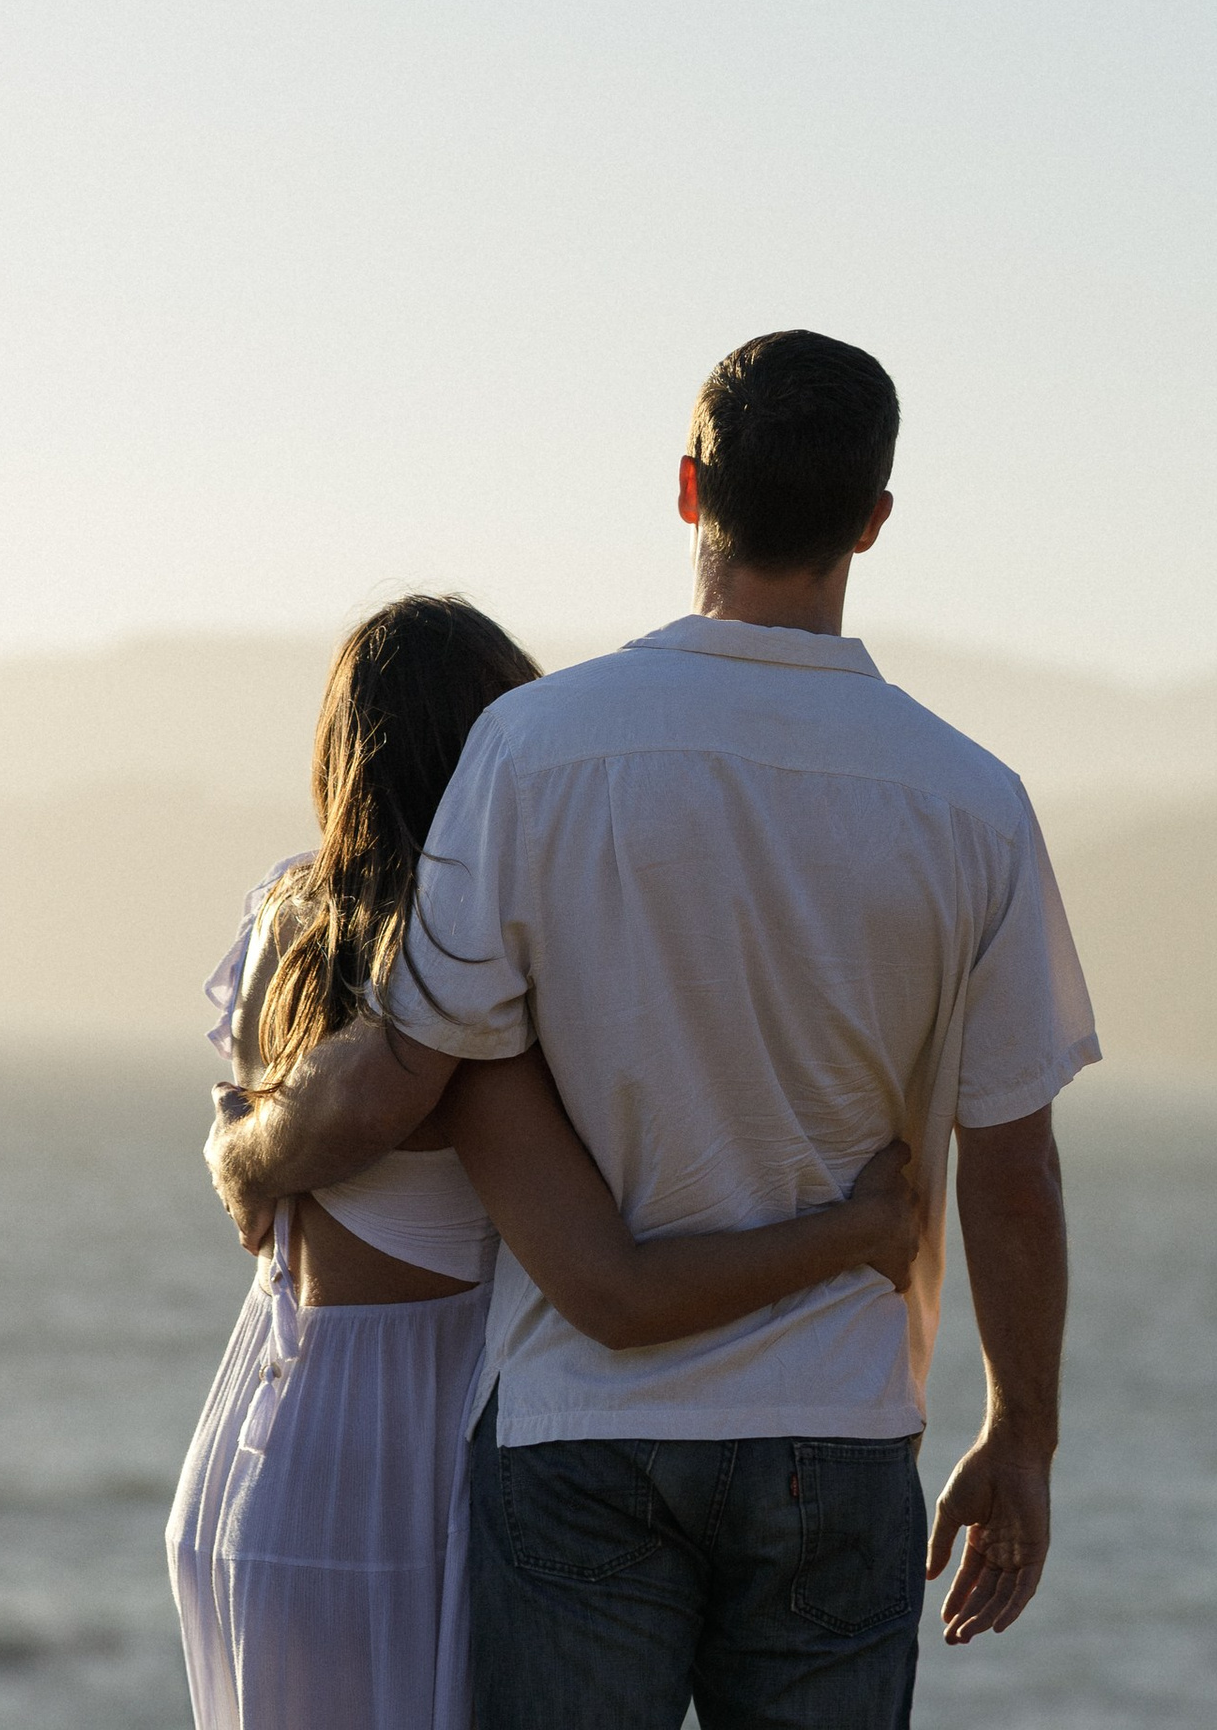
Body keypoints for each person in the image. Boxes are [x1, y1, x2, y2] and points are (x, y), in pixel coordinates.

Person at [210, 331, 1099, 1730]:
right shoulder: (973, 802)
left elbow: (412, 1063)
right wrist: (1024, 1437)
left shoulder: (537, 751)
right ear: (872, 520)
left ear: (691, 492)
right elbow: (1012, 1164)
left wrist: (255, 1155)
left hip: (580, 1428)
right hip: (840, 1425)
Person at [168, 589, 921, 1730]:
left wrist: (244, 1152)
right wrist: (858, 1232)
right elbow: (610, 1289)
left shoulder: (289, 921)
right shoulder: (455, 995)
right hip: (403, 1474)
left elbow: (271, 1124)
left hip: (263, 1442)